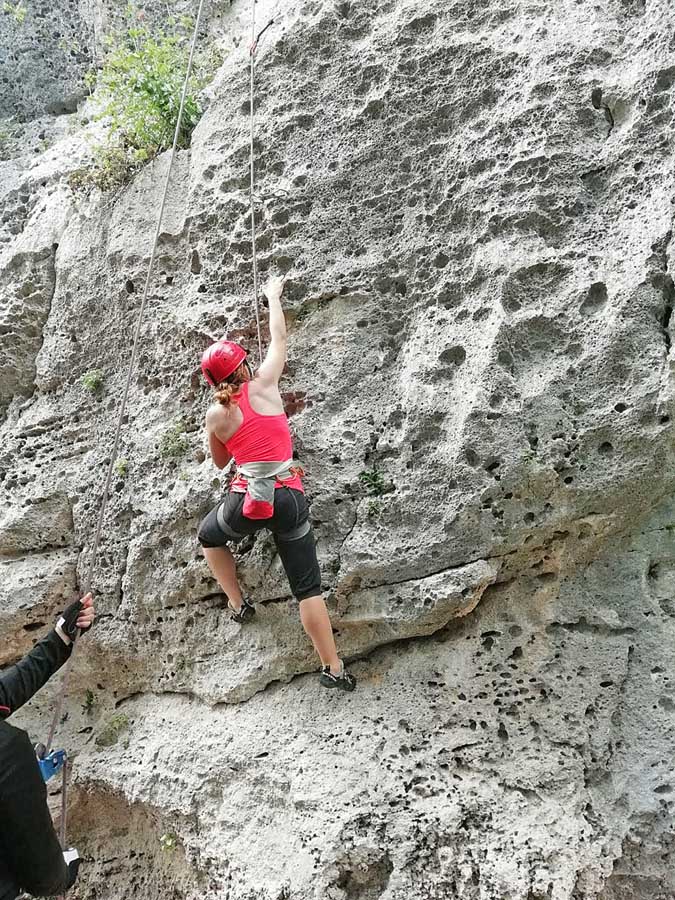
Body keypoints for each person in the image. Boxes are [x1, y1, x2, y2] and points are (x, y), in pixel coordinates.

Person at [197, 275, 356, 691]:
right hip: (289, 495)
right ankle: (334, 669)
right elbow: (279, 337)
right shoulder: (266, 384)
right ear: (244, 366)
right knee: (307, 587)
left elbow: (219, 462)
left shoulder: (216, 415)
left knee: (208, 535)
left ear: (214, 383)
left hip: (247, 500)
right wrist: (272, 296)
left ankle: (237, 601)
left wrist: (221, 427)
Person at [0, 595, 96, 900]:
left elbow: (7, 690)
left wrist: (61, 636)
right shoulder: (8, 752)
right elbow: (41, 876)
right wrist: (62, 873)